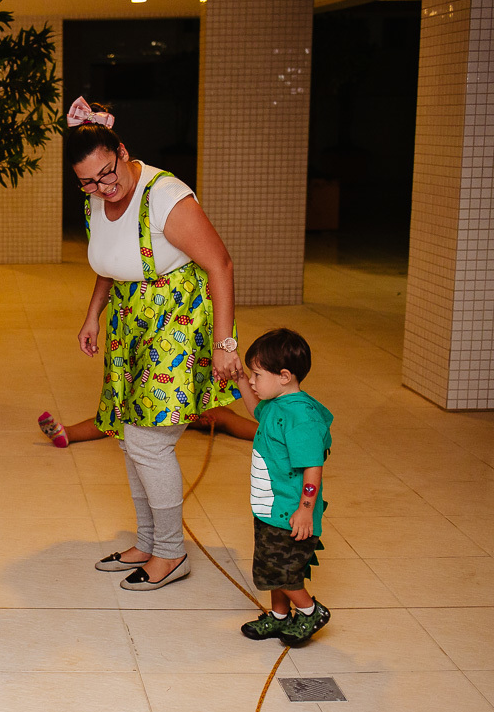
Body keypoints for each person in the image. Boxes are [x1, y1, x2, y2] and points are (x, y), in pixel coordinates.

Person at [66, 97, 243, 591]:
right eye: (89, 182)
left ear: (122, 151)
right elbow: (108, 263)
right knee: (129, 434)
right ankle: (147, 539)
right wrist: (93, 315)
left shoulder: (165, 195)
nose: (103, 187)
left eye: (107, 173)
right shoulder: (95, 200)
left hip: (176, 320)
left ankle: (171, 553)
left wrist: (227, 343)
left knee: (150, 440)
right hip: (129, 321)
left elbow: (220, 265)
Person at [237, 329, 332, 646]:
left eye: (257, 374)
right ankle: (280, 617)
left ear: (284, 376)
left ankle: (309, 611)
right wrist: (238, 378)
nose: (253, 381)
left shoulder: (300, 417)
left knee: (282, 571)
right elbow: (255, 412)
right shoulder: (276, 404)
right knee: (273, 566)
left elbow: (312, 467)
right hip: (269, 509)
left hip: (290, 513)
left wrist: (305, 511)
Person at [38, 406, 257, 448]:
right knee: (117, 417)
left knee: (223, 416)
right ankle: (68, 433)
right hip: (170, 403)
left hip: (193, 406)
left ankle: (270, 435)